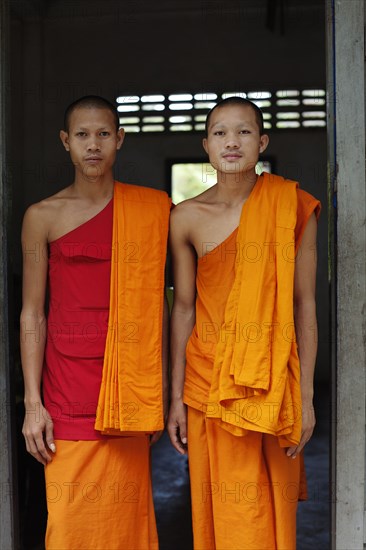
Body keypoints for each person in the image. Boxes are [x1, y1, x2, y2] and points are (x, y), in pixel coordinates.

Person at [167, 96, 321, 549]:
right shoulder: (186, 217)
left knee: (271, 511)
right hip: (209, 383)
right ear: (206, 145)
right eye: (220, 133)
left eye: (244, 132)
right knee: (226, 513)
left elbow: (304, 304)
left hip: (274, 383)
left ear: (263, 141)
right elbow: (183, 308)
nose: (232, 142)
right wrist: (175, 398)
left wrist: (306, 397)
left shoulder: (290, 206)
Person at [20, 95, 171, 550]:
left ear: (119, 139)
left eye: (104, 134)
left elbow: (165, 303)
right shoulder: (42, 217)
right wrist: (32, 404)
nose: (93, 145)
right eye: (82, 135)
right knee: (69, 527)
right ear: (66, 142)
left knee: (125, 524)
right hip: (66, 391)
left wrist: (163, 390)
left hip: (128, 387)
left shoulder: (152, 210)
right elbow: (32, 312)